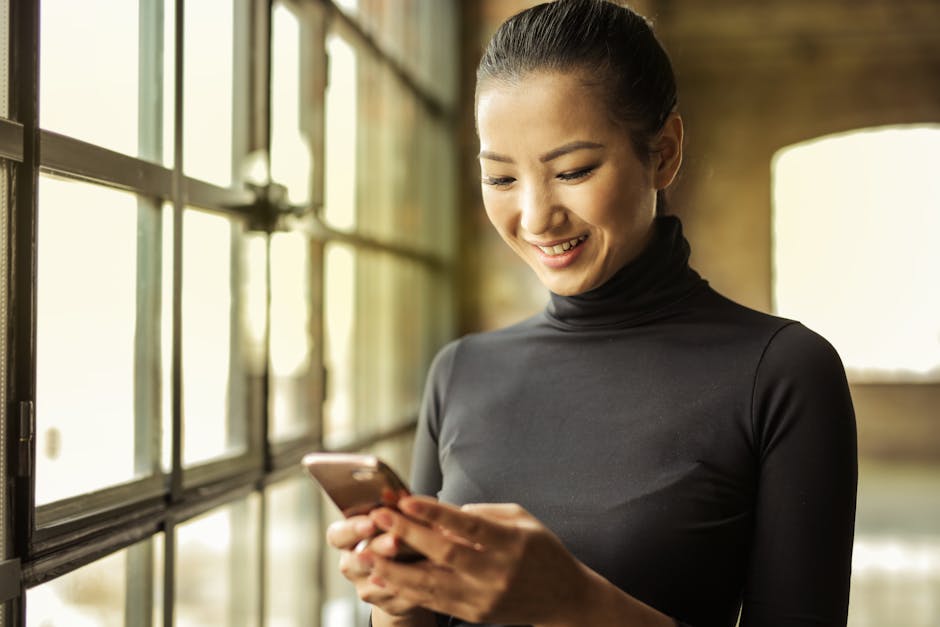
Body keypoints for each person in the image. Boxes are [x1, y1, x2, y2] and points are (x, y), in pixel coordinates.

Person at [326, 1, 858, 625]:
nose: (534, 216)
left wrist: (571, 601)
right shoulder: (460, 371)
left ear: (663, 153)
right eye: (500, 179)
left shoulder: (784, 374)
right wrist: (397, 600)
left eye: (573, 170)